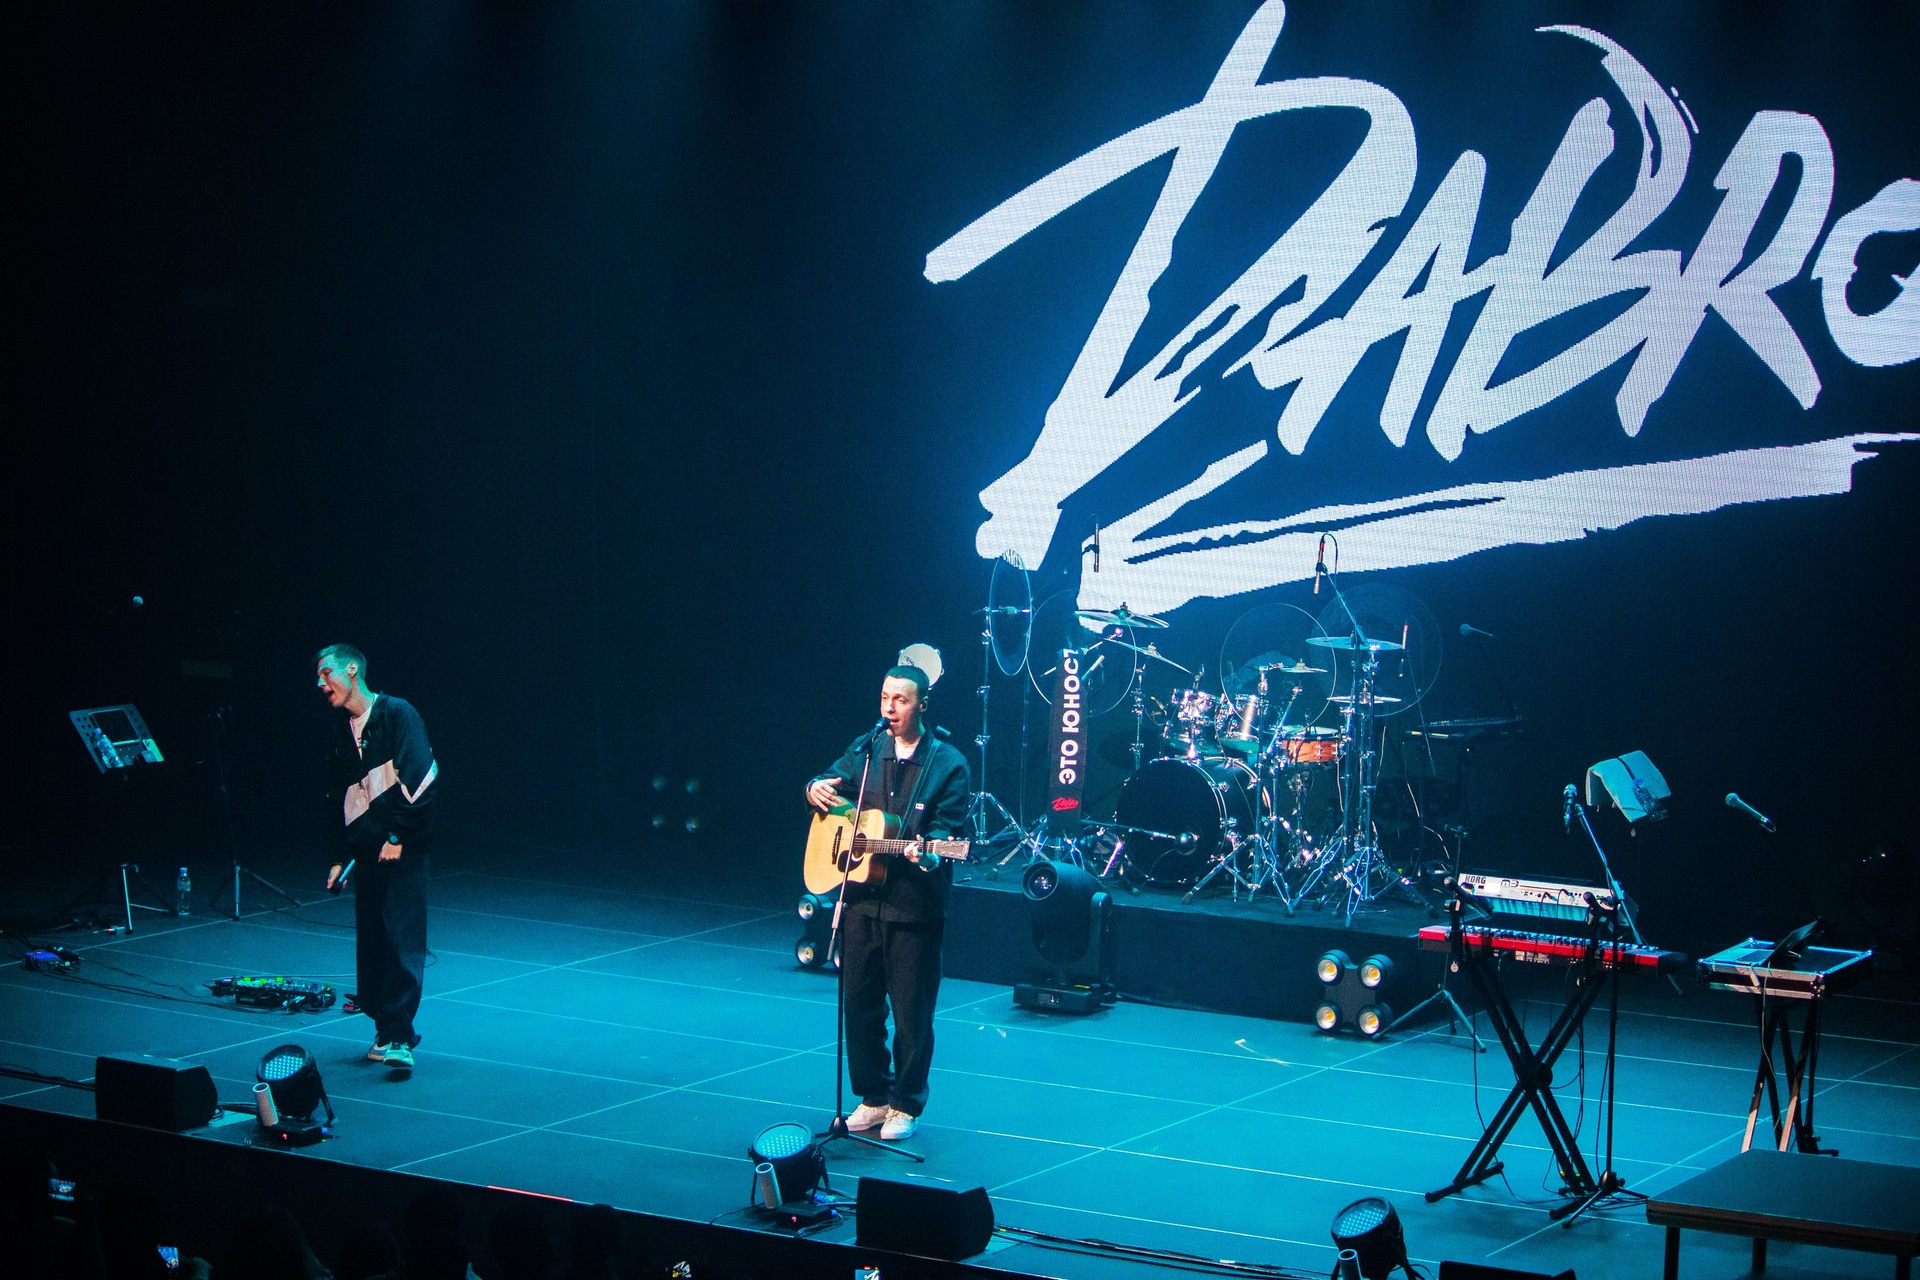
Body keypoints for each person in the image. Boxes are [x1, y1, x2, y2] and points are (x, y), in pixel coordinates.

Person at [805, 664, 970, 1141]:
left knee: (911, 1014)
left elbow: (947, 834)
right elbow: (829, 781)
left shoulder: (948, 764)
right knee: (859, 1005)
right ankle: (873, 1097)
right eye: (884, 698)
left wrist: (929, 853)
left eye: (900, 700)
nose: (890, 708)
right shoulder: (868, 747)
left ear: (922, 705)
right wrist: (814, 788)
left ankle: (906, 1104)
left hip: (913, 907)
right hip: (860, 901)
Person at [318, 643, 438, 1073]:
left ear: (352, 669)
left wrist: (397, 834)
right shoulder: (340, 729)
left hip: (402, 849)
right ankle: (383, 1028)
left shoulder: (397, 714)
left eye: (326, 673)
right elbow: (337, 796)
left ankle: (400, 1036)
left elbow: (421, 776)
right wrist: (338, 855)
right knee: (372, 944)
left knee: (401, 939)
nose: (321, 683)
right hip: (367, 852)